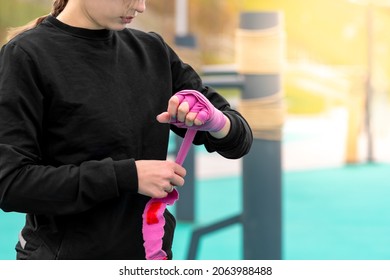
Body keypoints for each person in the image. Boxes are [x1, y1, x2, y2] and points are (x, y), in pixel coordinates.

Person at [0, 0, 252, 260]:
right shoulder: (26, 56)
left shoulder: (153, 51)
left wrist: (218, 122)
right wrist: (127, 176)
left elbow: (239, 141)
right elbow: (10, 183)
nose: (141, 7)